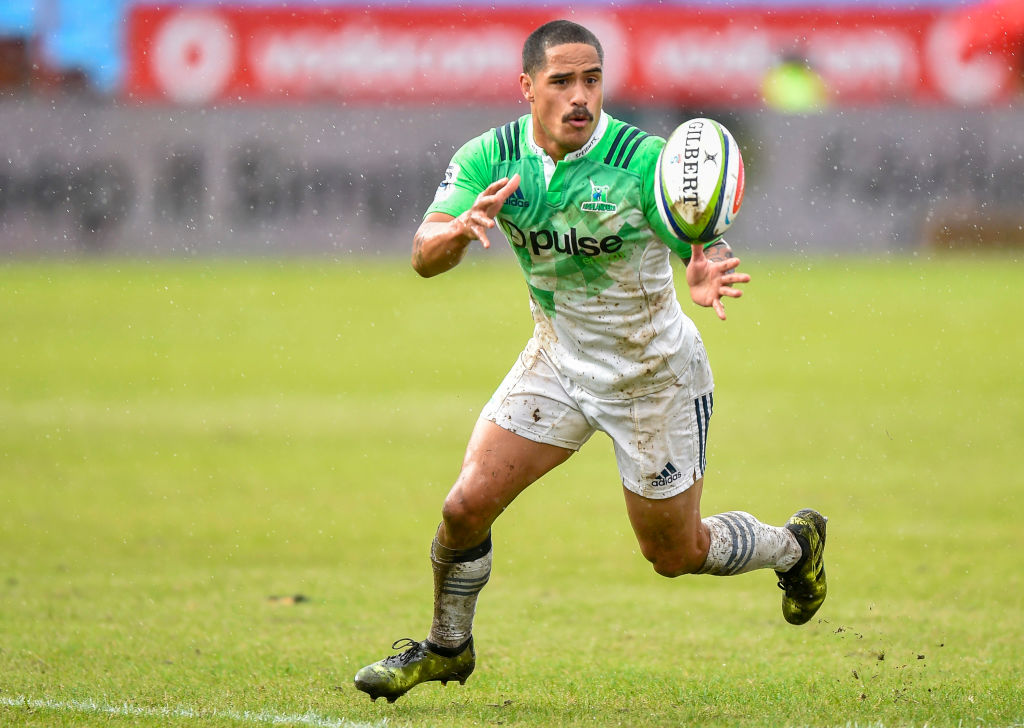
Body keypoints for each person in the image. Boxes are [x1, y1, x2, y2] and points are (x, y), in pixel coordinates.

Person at [354, 19, 827, 703]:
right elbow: (423, 255)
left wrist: (699, 266)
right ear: (527, 88)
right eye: (563, 81)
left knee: (674, 554)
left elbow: (692, 232)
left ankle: (793, 546)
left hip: (652, 376)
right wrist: (458, 230)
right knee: (464, 507)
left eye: (593, 80)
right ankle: (446, 647)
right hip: (559, 361)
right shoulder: (491, 158)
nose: (581, 96)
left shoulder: (641, 159)